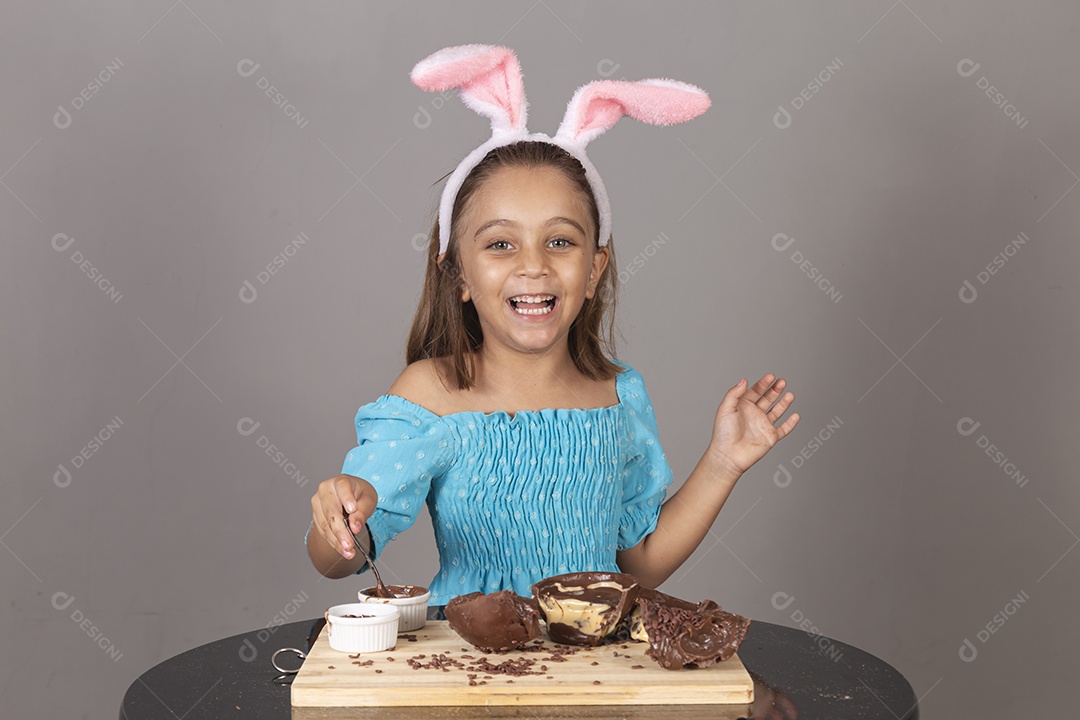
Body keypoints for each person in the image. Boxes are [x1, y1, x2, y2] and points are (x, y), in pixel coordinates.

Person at [305, 45, 799, 605]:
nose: (533, 265)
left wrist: (722, 462)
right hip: (468, 676)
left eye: (560, 241)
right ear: (459, 273)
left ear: (593, 270)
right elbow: (334, 562)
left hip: (593, 679)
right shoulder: (431, 395)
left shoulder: (617, 395)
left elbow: (640, 566)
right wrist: (342, 516)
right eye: (500, 244)